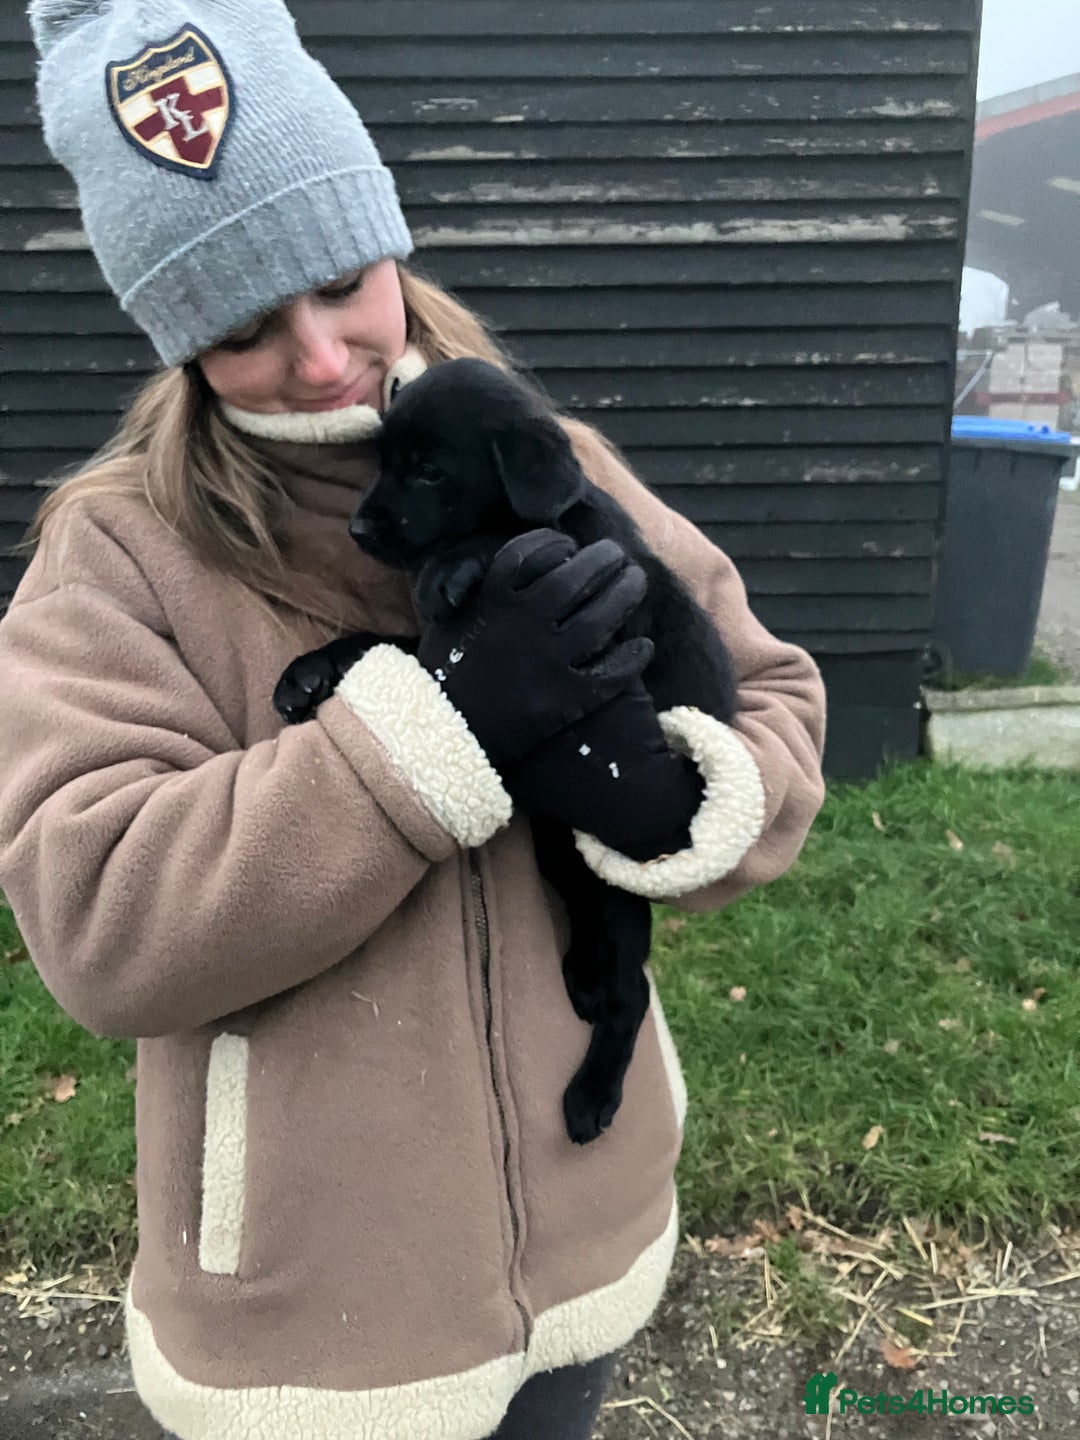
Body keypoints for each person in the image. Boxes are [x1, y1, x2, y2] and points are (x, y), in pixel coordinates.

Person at [0, 2, 827, 1437]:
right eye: (244, 326)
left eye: (339, 279)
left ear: (389, 240)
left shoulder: (543, 452)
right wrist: (428, 736)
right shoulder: (121, 553)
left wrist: (667, 790)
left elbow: (777, 696)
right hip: (316, 1315)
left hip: (588, 1229)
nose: (322, 359)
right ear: (175, 339)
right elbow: (98, 918)